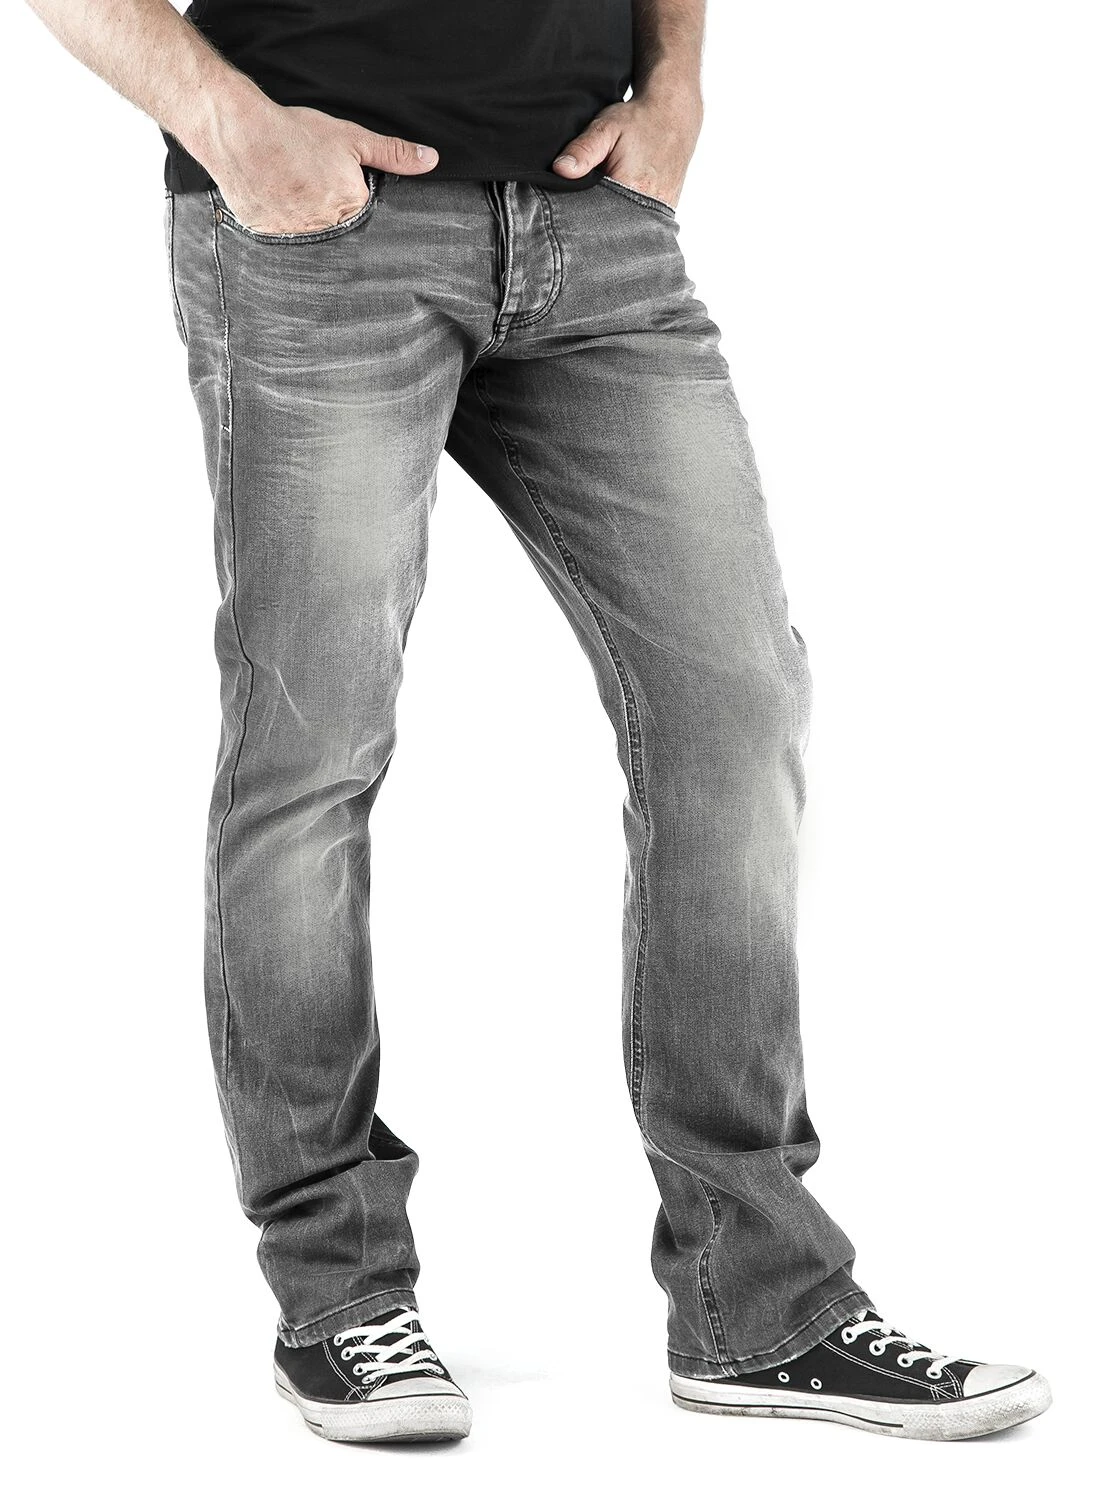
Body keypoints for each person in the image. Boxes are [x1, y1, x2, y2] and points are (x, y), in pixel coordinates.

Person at [27, 0, 1050, 1446]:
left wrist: (677, 84)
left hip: (596, 228)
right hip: (323, 223)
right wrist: (228, 124)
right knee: (313, 751)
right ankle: (337, 1291)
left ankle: (761, 1304)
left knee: (736, 709)